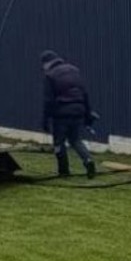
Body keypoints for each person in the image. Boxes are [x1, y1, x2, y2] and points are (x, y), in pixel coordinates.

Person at [40, 50, 96, 179]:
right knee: (75, 140)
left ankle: (64, 171)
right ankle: (88, 160)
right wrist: (88, 114)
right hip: (78, 111)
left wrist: (45, 121)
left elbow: (48, 101)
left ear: (46, 63)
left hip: (61, 114)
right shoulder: (74, 70)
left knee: (59, 143)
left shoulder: (50, 75)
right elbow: (85, 93)